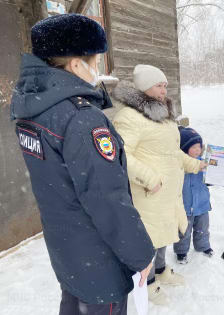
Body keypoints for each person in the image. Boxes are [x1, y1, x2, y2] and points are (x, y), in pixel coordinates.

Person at [10, 14, 155, 315]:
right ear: (76, 65)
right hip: (99, 260)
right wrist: (141, 255)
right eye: (96, 61)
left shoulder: (33, 109)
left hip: (69, 253)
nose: (98, 69)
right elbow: (107, 198)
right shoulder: (82, 119)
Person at [112, 66, 207, 305]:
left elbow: (171, 152)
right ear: (144, 87)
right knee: (149, 239)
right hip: (148, 193)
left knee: (164, 232)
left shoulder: (162, 114)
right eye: (159, 85)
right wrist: (150, 178)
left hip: (168, 194)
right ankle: (149, 281)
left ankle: (162, 269)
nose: (164, 89)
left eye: (165, 85)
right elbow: (121, 155)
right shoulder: (129, 117)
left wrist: (195, 165)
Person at [174, 127, 213, 264]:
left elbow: (210, 180)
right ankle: (181, 251)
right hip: (185, 206)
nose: (198, 150)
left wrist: (215, 176)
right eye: (194, 147)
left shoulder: (204, 163)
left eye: (199, 147)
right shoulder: (180, 165)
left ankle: (203, 246)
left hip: (202, 204)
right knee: (184, 231)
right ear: (184, 149)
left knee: (202, 228)